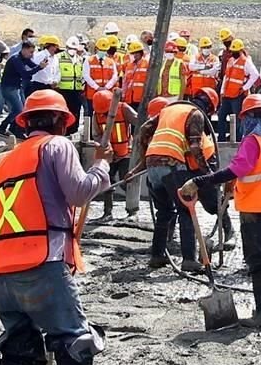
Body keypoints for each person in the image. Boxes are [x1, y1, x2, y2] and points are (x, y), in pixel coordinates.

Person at [0, 89, 110, 365]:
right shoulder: (56, 147)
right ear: (60, 121)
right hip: (43, 261)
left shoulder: (3, 163)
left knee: (16, 344)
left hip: (3, 270)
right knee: (75, 339)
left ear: (26, 122)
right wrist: (101, 167)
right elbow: (79, 193)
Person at [180, 94, 261, 329]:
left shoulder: (254, 140)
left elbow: (237, 168)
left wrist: (199, 181)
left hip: (256, 209)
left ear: (247, 117)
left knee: (260, 262)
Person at [130, 88, 230, 271]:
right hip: (173, 165)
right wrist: (208, 174)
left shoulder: (167, 111)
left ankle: (157, 256)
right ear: (210, 108)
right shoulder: (196, 114)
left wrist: (147, 154)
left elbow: (144, 129)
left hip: (153, 164)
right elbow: (195, 147)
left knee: (164, 213)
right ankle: (189, 260)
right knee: (186, 210)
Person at [90, 90, 137, 219]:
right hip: (109, 155)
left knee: (126, 180)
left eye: (105, 112)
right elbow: (96, 134)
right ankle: (107, 212)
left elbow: (138, 121)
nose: (103, 115)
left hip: (126, 152)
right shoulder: (96, 115)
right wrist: (103, 145)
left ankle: (133, 211)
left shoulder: (123, 108)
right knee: (106, 182)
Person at [0, 42, 46, 138]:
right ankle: (2, 127)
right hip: (9, 88)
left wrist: (41, 65)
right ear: (24, 49)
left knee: (23, 110)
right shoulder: (16, 59)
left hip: (17, 87)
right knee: (18, 110)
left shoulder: (24, 58)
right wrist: (39, 67)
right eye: (30, 52)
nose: (32, 55)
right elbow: (25, 73)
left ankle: (14, 129)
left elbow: (32, 66)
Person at [218, 39, 260, 142]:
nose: (233, 53)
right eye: (232, 51)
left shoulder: (246, 61)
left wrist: (245, 88)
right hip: (227, 94)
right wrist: (222, 91)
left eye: (235, 51)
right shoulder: (230, 61)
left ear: (241, 50)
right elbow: (226, 77)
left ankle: (237, 139)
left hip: (238, 95)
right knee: (221, 115)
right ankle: (222, 138)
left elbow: (255, 75)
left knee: (238, 118)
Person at [83, 37, 119, 115]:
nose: (103, 52)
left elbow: (115, 76)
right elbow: (86, 76)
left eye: (104, 50)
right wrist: (97, 87)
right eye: (101, 50)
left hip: (107, 94)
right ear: (96, 49)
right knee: (91, 115)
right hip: (92, 94)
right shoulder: (89, 60)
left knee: (106, 116)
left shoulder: (110, 62)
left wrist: (106, 87)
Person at [57, 37, 86, 134]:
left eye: (74, 49)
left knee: (76, 112)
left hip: (76, 90)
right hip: (63, 90)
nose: (72, 50)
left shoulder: (80, 60)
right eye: (70, 48)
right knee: (63, 113)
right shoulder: (59, 57)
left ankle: (73, 131)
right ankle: (63, 131)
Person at [185, 36, 219, 104]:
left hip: (209, 89)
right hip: (196, 89)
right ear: (201, 48)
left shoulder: (215, 58)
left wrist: (200, 70)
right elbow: (191, 66)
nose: (206, 49)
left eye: (208, 47)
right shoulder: (195, 57)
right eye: (204, 47)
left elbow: (213, 72)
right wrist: (204, 66)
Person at [121, 41, 149, 111]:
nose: (134, 55)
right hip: (129, 98)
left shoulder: (147, 64)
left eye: (136, 53)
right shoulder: (129, 65)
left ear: (141, 53)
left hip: (141, 98)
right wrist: (123, 95)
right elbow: (125, 82)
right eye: (133, 53)